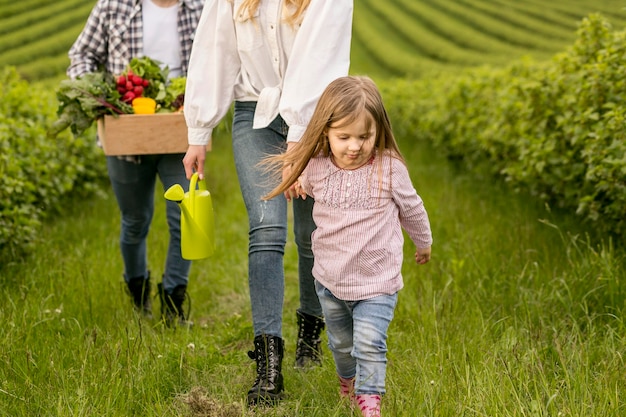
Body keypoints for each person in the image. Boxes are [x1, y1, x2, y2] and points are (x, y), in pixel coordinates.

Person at [182, 0, 353, 405]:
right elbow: (215, 47)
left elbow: (321, 56)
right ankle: (268, 366)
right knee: (266, 229)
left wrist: (299, 134)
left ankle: (310, 334)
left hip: (316, 120)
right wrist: (199, 129)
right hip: (254, 116)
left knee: (311, 234)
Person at [262, 76, 433, 417]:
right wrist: (294, 179)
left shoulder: (389, 169)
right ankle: (348, 381)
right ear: (325, 132)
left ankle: (370, 402)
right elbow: (300, 179)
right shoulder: (318, 167)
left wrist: (423, 242)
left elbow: (412, 208)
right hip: (330, 282)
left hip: (376, 283)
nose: (354, 146)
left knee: (369, 344)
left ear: (378, 132)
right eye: (344, 137)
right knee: (341, 345)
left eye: (364, 136)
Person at [67, 0, 204, 326]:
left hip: (178, 131)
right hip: (126, 131)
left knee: (185, 219)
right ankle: (138, 295)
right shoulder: (113, 6)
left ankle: (173, 303)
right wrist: (97, 94)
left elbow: (216, 62)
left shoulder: (199, 8)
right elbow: (81, 55)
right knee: (135, 220)